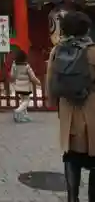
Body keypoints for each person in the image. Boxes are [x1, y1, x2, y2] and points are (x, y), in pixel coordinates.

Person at [46, 10, 95, 202]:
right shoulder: (92, 51)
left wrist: (53, 103)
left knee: (71, 155)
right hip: (91, 110)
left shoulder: (57, 51)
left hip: (68, 111)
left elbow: (50, 81)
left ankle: (72, 198)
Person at [10, 49, 40, 123]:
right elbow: (32, 77)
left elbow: (12, 75)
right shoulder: (26, 66)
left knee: (23, 101)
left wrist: (14, 81)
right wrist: (38, 82)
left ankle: (24, 116)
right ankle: (17, 111)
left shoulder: (14, 65)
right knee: (26, 101)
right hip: (25, 87)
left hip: (18, 86)